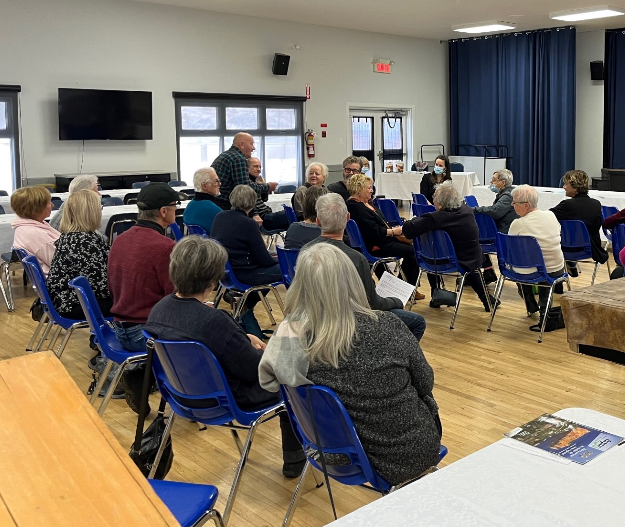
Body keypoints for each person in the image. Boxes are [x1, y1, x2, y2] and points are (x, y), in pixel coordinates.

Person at [258, 243, 442, 487]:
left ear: (301, 284)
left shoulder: (291, 338)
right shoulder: (388, 326)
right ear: (352, 280)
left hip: (331, 451)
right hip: (404, 454)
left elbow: (271, 381)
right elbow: (425, 382)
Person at [145, 236, 306, 478]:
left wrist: (242, 337)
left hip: (182, 396)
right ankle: (295, 460)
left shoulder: (159, 310)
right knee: (291, 376)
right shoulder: (213, 321)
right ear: (212, 280)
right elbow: (255, 370)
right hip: (230, 398)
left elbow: (211, 340)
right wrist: (267, 350)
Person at [308, 193, 426, 340]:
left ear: (318, 221)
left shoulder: (306, 252)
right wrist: (396, 300)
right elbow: (373, 303)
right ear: (347, 218)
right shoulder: (356, 258)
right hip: (350, 320)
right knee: (417, 322)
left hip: (315, 319)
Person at [107, 182, 181, 352]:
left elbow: (111, 287)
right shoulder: (165, 247)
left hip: (120, 329)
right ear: (164, 211)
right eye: (174, 206)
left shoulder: (120, 240)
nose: (176, 210)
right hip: (147, 333)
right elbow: (174, 298)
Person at [401, 182, 492, 310]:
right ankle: (486, 299)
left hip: (444, 261)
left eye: (434, 197)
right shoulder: (467, 210)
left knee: (430, 249)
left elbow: (408, 230)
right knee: (448, 255)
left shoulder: (437, 218)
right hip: (472, 258)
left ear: (440, 203)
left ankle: (435, 294)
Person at [211, 185, 283, 338]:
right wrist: (277, 259)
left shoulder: (220, 217)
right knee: (288, 269)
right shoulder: (248, 223)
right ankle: (248, 305)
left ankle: (245, 305)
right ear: (253, 203)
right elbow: (263, 259)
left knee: (277, 264)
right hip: (246, 273)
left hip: (226, 273)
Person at [45, 189, 114, 320]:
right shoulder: (84, 243)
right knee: (136, 304)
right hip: (75, 303)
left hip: (69, 298)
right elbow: (98, 287)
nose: (100, 211)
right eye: (100, 207)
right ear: (91, 213)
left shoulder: (75, 236)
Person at [345, 173, 420, 286]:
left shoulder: (363, 204)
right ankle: (404, 286)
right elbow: (374, 232)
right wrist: (394, 231)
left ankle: (399, 285)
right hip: (377, 245)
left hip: (380, 241)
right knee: (415, 252)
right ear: (358, 189)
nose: (371, 190)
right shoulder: (356, 207)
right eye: (369, 188)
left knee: (412, 249)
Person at [507, 185, 566, 325]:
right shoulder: (551, 215)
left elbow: (511, 249)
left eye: (514, 202)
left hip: (531, 271)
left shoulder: (518, 223)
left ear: (526, 205)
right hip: (557, 268)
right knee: (543, 269)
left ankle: (530, 303)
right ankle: (545, 308)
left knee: (519, 266)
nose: (512, 205)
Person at [550, 170, 609, 273]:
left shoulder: (567, 205)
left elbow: (547, 216)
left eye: (566, 184)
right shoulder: (596, 204)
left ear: (575, 188)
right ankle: (571, 264)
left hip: (566, 248)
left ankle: (557, 280)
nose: (564, 187)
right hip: (591, 249)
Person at [211, 132, 277, 207]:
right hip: (227, 206)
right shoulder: (238, 159)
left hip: (216, 203)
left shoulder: (224, 155)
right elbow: (245, 188)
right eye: (251, 144)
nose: (254, 148)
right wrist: (268, 187)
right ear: (242, 145)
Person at [10, 186, 60, 274]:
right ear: (36, 208)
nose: (52, 205)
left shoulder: (27, 227)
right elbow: (60, 262)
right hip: (61, 280)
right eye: (48, 203)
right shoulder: (35, 233)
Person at [248, 157, 290, 231]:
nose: (258, 169)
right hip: (263, 217)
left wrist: (263, 185)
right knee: (290, 213)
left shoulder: (256, 183)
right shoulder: (248, 185)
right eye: (255, 166)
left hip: (267, 213)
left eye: (260, 167)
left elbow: (264, 199)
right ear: (247, 168)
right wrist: (266, 187)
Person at [472, 169, 518, 233]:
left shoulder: (508, 195)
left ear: (503, 182)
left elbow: (496, 211)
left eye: (494, 180)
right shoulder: (506, 192)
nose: (491, 182)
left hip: (505, 231)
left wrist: (473, 209)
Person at [183, 167, 225, 234]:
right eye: (216, 181)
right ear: (204, 186)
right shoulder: (216, 212)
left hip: (194, 243)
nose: (220, 184)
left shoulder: (189, 206)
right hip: (212, 244)